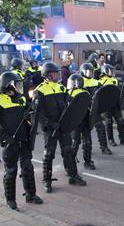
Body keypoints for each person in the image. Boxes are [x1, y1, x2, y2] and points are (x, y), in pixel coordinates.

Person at [0, 71, 43, 211]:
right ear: (8, 86)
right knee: (11, 171)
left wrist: (31, 111)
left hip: (23, 139)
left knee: (27, 167)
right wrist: (6, 139)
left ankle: (31, 195)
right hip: (10, 142)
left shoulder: (21, 99)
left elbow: (28, 116)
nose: (20, 87)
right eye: (17, 84)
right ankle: (10, 199)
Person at [34, 62, 86, 193]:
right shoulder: (39, 90)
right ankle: (47, 180)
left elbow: (68, 104)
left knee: (68, 151)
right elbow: (37, 113)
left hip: (63, 125)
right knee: (49, 154)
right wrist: (49, 124)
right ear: (49, 75)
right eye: (56, 73)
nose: (58, 74)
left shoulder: (61, 87)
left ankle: (73, 175)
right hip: (50, 128)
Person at [73, 63, 100, 169]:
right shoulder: (70, 93)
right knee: (75, 142)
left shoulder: (93, 84)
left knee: (88, 141)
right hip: (75, 120)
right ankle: (70, 163)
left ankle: (87, 161)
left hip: (85, 117)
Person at [99, 64, 124, 147]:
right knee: (108, 122)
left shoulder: (115, 80)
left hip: (115, 104)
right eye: (110, 70)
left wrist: (123, 100)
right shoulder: (101, 82)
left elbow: (119, 92)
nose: (112, 72)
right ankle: (110, 139)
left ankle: (122, 138)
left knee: (121, 120)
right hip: (107, 105)